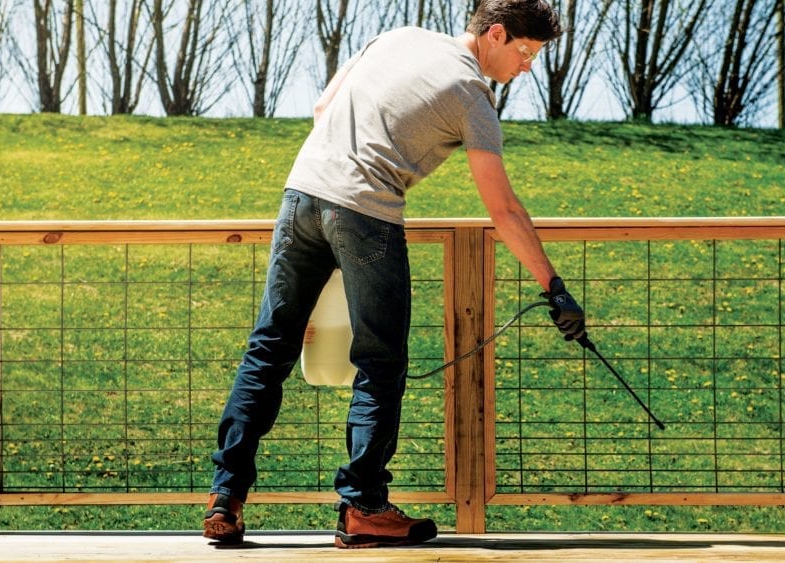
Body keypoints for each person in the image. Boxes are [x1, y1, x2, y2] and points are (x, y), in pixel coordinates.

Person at [202, 0, 585, 549]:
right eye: (524, 53)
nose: (526, 66)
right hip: (365, 215)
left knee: (269, 348)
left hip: (301, 195)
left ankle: (225, 498)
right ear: (495, 34)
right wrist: (555, 287)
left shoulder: (399, 36)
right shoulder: (474, 95)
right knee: (380, 364)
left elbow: (322, 105)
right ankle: (364, 509)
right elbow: (503, 210)